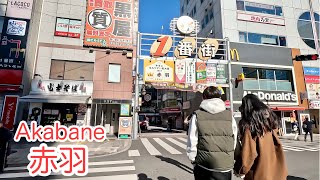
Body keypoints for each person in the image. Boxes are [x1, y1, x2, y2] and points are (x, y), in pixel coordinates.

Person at [187, 86, 238, 180]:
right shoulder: (229, 116)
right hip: (225, 165)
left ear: (204, 98)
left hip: (204, 164)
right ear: (219, 98)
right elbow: (233, 139)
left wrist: (193, 159)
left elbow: (192, 139)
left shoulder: (197, 115)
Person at [234, 94, 288, 180]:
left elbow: (249, 154)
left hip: (259, 173)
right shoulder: (270, 122)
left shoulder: (249, 127)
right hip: (277, 172)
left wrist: (239, 170)